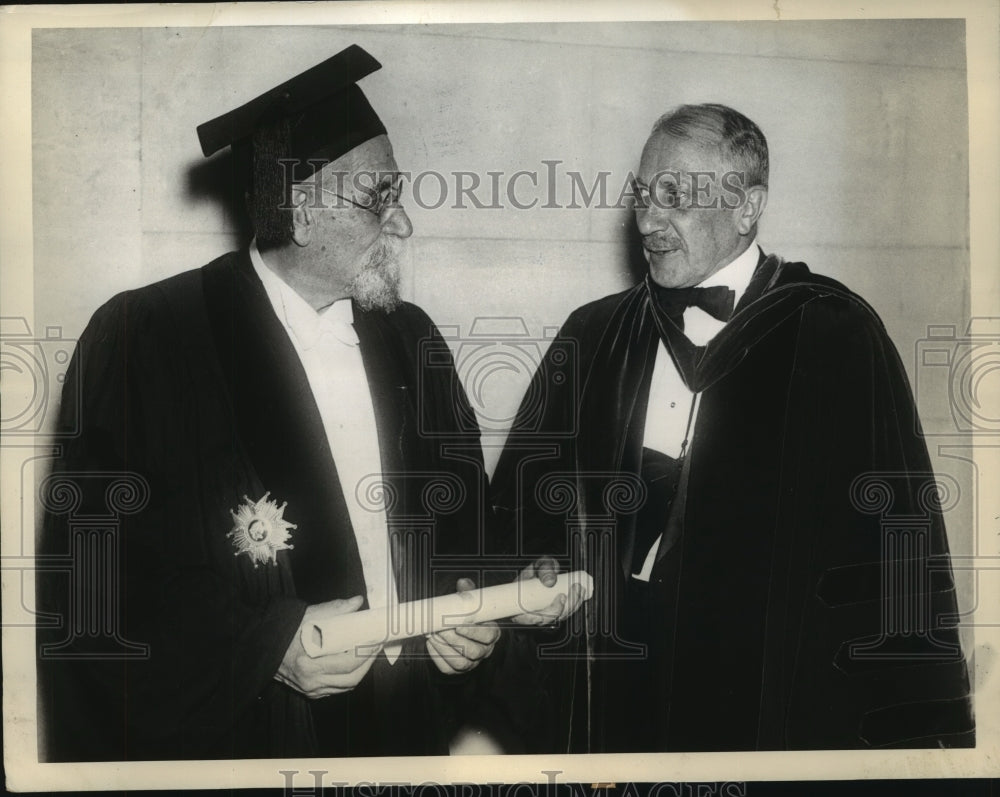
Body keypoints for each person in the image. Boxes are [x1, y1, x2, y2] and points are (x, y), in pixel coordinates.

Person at [36, 45, 500, 761]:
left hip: (406, 733)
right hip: (252, 740)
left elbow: (467, 523)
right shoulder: (145, 341)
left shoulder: (412, 339)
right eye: (379, 199)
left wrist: (470, 610)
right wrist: (268, 647)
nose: (403, 224)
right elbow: (97, 586)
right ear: (303, 209)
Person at [489, 103, 975, 752]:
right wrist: (537, 568)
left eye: (675, 197)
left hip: (766, 710)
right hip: (610, 696)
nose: (649, 221)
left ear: (748, 208)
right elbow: (519, 518)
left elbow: (899, 559)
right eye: (642, 194)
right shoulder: (595, 335)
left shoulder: (836, 338)